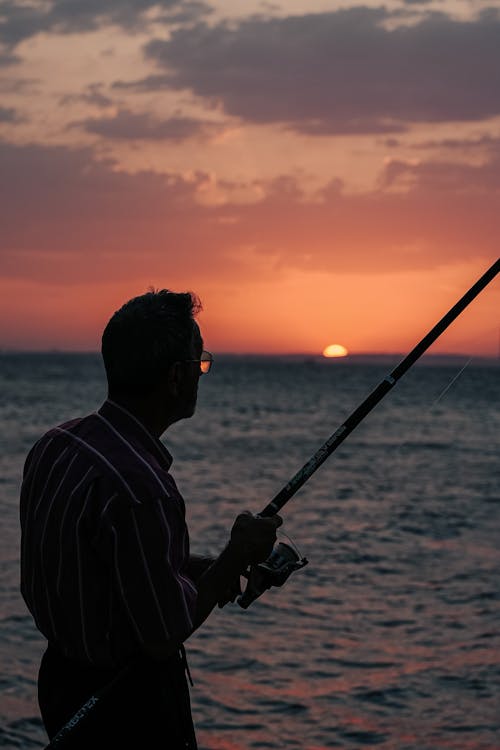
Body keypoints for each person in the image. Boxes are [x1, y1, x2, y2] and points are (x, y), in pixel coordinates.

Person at [20, 289, 282, 749]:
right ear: (176, 377)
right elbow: (163, 635)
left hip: (60, 684)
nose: (203, 374)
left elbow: (106, 571)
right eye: (199, 362)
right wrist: (237, 553)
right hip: (126, 708)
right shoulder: (142, 490)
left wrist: (212, 571)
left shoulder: (55, 445)